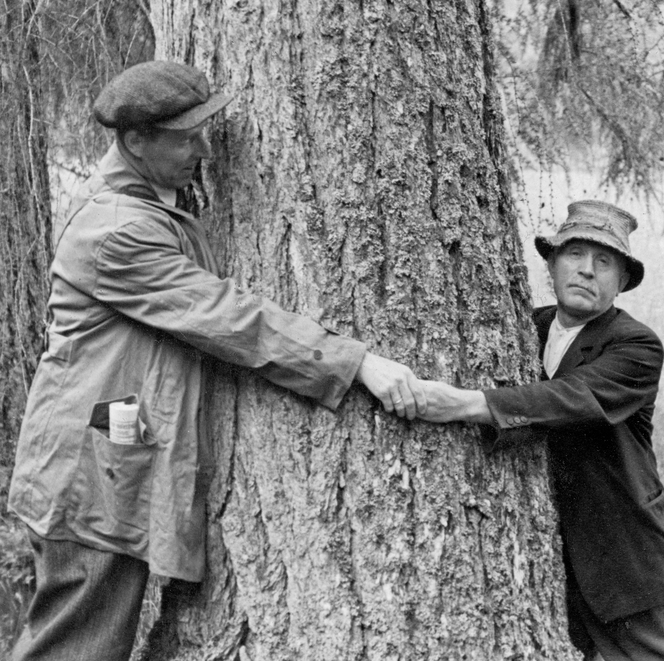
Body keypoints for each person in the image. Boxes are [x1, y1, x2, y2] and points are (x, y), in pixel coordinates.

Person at [7, 61, 423, 661]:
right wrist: (357, 363)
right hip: (87, 478)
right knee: (76, 649)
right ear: (135, 142)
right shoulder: (117, 231)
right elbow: (227, 317)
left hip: (104, 462)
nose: (205, 147)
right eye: (186, 137)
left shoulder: (150, 204)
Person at [413, 200, 664, 661]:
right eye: (575, 256)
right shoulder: (526, 325)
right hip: (553, 563)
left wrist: (467, 404)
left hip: (626, 563)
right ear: (551, 264)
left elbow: (570, 399)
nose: (587, 271)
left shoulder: (636, 346)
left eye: (604, 262)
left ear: (622, 281)